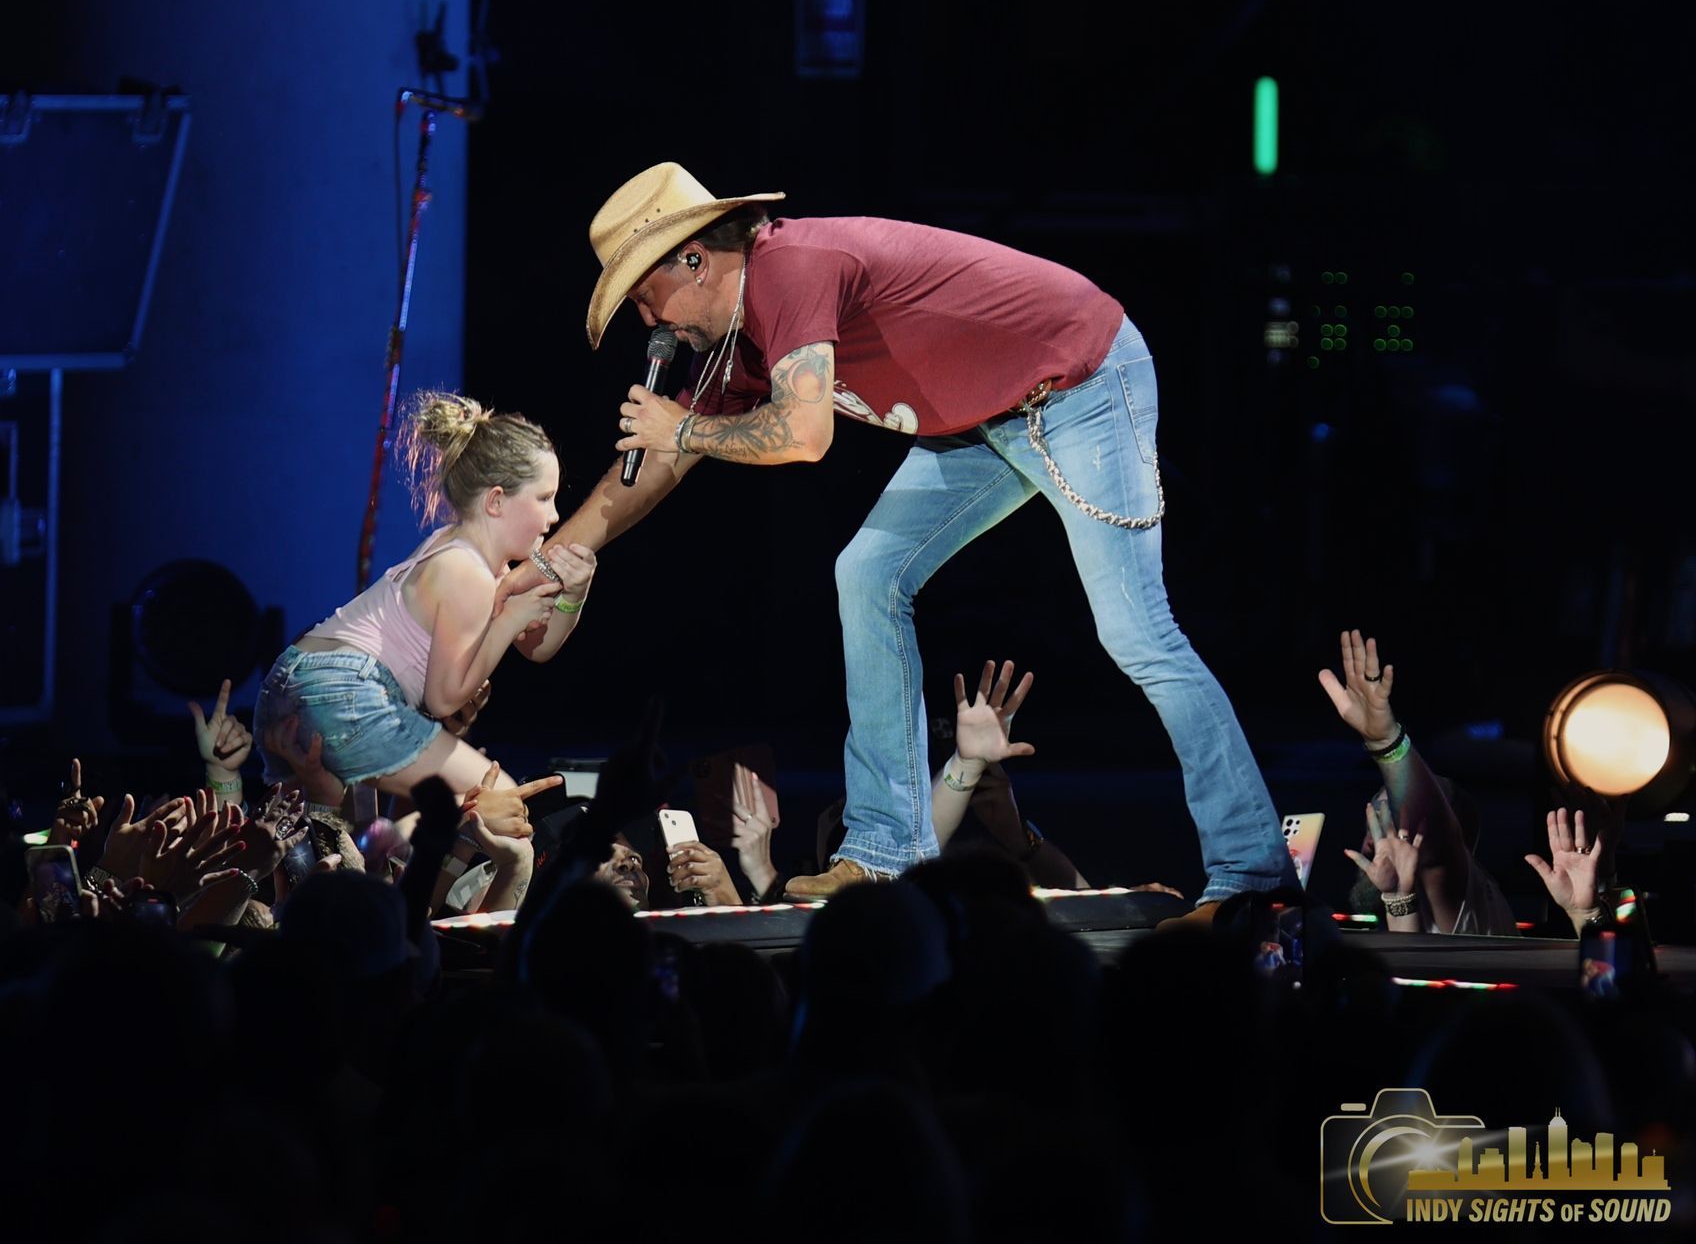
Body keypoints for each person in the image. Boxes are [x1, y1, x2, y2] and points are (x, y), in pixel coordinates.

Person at [502, 162, 1295, 915]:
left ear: (695, 259)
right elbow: (655, 467)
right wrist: (549, 561)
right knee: (868, 573)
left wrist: (684, 430)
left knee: (1137, 630)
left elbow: (802, 434)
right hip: (984, 421)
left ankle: (1253, 874)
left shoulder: (789, 269)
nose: (649, 322)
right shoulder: (734, 344)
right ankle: (886, 848)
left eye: (646, 297)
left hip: (1081, 382)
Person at [255, 393, 597, 799]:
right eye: (543, 498)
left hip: (292, 684)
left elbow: (537, 647)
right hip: (343, 689)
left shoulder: (463, 553)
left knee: (354, 830)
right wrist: (508, 621)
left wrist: (574, 593)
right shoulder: (467, 571)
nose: (555, 516)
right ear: (496, 501)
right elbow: (443, 699)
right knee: (498, 801)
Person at [1321, 629, 1516, 935]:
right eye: (1374, 819)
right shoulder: (1402, 910)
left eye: (1393, 817)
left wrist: (1385, 742)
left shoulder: (1463, 897)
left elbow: (1434, 829)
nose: (1373, 839)